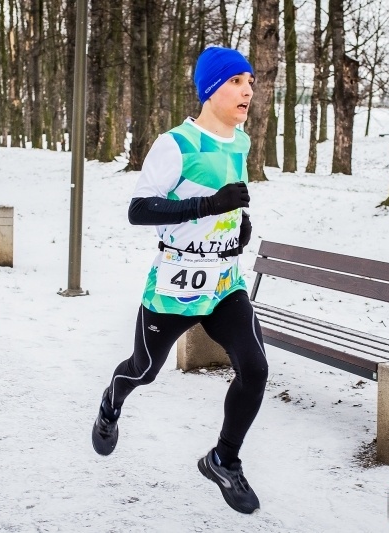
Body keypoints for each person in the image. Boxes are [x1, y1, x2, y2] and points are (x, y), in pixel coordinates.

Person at [91, 46, 268, 514]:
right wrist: (209, 207)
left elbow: (230, 201)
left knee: (256, 369)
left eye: (250, 80)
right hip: (175, 282)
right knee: (143, 370)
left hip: (224, 281)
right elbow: (139, 209)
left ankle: (223, 460)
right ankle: (111, 403)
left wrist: (237, 226)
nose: (247, 89)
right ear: (210, 89)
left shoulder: (241, 142)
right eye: (235, 81)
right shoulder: (177, 144)